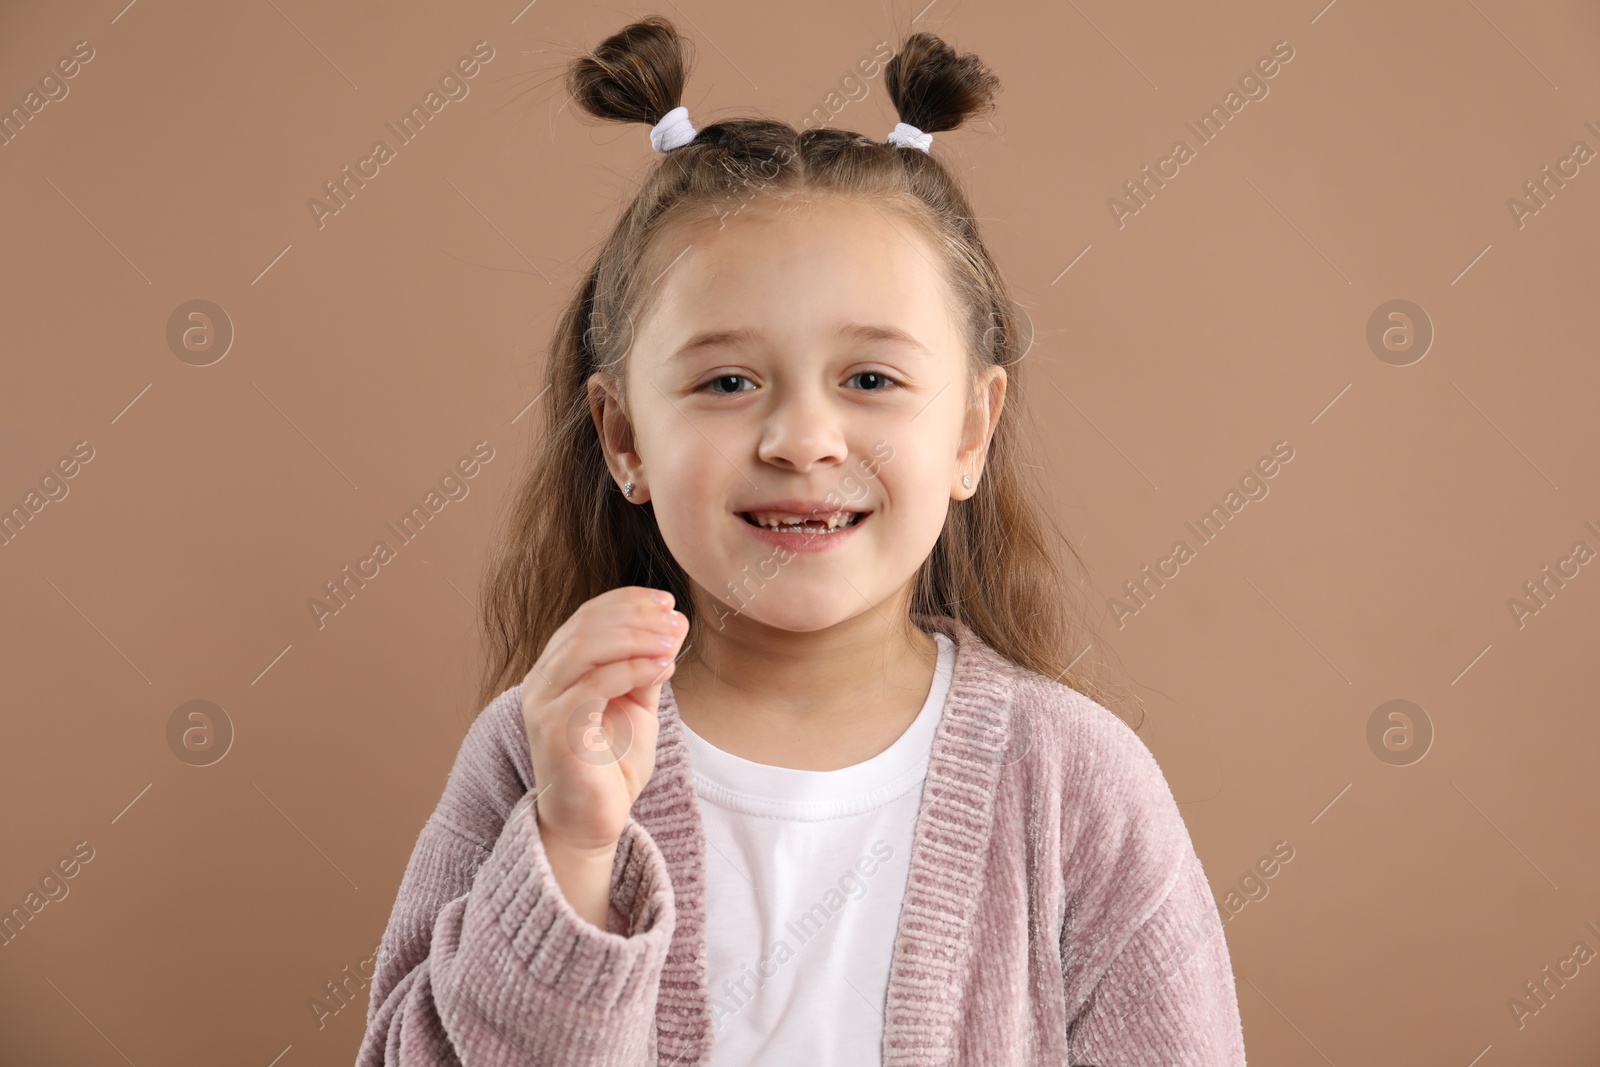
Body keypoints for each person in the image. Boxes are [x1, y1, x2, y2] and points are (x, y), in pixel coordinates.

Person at [357, 15, 1246, 1066]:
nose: (801, 440)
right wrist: (572, 849)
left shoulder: (1077, 781)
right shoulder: (539, 749)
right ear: (624, 437)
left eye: (869, 379)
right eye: (727, 381)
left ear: (968, 432)